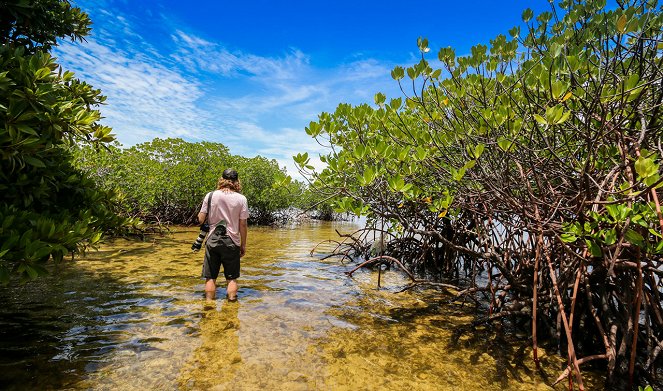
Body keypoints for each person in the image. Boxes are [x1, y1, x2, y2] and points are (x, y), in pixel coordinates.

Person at [198, 168, 248, 301]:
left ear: (221, 180)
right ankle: (232, 306)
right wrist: (243, 245)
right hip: (232, 241)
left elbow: (200, 219)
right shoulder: (242, 199)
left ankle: (208, 305)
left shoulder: (210, 195)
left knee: (210, 277)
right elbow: (242, 225)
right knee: (231, 278)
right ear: (236, 182)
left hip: (212, 239)